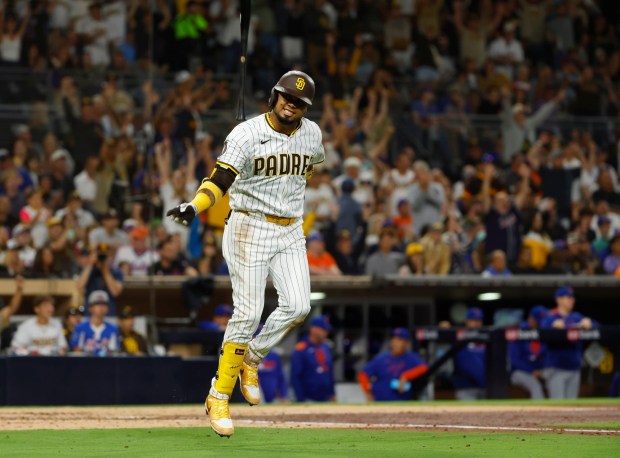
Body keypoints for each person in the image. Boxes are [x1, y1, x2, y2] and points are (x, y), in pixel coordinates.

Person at [166, 70, 324, 437]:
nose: (291, 104)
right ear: (274, 96)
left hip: (290, 228)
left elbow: (311, 167)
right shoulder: (246, 133)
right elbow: (220, 178)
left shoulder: (313, 133)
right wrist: (195, 206)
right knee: (248, 311)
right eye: (286, 96)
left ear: (306, 108)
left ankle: (251, 357)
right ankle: (218, 395)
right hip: (249, 225)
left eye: (299, 102)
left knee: (299, 306)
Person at [541, 287, 597, 399]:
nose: (572, 300)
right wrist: (553, 328)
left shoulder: (576, 317)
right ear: (559, 300)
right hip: (556, 367)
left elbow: (598, 326)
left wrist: (590, 324)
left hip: (574, 367)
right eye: (569, 297)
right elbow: (541, 333)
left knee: (572, 406)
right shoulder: (551, 317)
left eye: (572, 298)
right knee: (558, 407)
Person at [358, 328, 428, 401]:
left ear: (406, 343)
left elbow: (424, 368)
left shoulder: (411, 357)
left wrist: (406, 376)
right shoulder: (381, 358)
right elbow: (363, 374)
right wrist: (368, 392)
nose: (395, 343)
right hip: (380, 402)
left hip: (402, 402)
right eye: (394, 339)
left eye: (399, 340)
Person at [290, 316, 335, 403]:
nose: (326, 333)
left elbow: (329, 373)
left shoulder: (326, 347)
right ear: (313, 329)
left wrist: (332, 394)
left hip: (326, 399)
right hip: (308, 399)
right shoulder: (301, 348)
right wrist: (301, 400)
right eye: (323, 330)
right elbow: (295, 377)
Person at [509, 305, 548, 399]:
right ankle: (539, 412)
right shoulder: (519, 331)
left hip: (540, 371)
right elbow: (514, 360)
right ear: (530, 318)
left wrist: (539, 371)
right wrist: (531, 371)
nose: (539, 323)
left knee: (554, 377)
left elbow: (547, 355)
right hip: (520, 371)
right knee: (535, 386)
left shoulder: (544, 331)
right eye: (537, 320)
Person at [71, 290, 119, 356]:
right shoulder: (80, 328)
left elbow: (113, 353)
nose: (101, 308)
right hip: (85, 364)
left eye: (104, 304)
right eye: (97, 304)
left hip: (106, 364)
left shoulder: (113, 329)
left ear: (107, 308)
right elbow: (77, 352)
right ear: (90, 308)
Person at [453, 307, 486, 400]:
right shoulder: (458, 336)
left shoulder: (486, 337)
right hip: (465, 387)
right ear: (466, 321)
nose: (476, 323)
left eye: (479, 320)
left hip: (485, 387)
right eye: (473, 320)